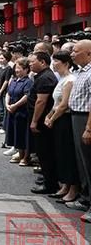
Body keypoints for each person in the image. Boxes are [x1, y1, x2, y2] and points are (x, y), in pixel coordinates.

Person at [44, 51, 78, 203]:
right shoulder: (62, 79)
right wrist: (49, 115)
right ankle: (65, 185)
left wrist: (53, 118)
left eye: (56, 61)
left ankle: (72, 189)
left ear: (66, 63)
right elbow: (56, 103)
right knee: (61, 153)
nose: (53, 64)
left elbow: (64, 105)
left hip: (65, 120)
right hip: (58, 118)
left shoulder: (70, 80)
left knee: (68, 154)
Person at [28, 51, 59, 194]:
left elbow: (41, 101)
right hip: (42, 119)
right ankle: (47, 178)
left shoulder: (45, 78)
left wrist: (34, 121)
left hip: (42, 121)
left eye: (32, 62)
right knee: (42, 152)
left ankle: (49, 183)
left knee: (45, 152)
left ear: (42, 62)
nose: (30, 64)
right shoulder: (41, 76)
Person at [69, 40, 91, 221]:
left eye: (75, 51)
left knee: (89, 162)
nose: (72, 54)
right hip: (76, 117)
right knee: (81, 161)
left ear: (88, 53)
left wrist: (89, 128)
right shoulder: (80, 72)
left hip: (85, 119)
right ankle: (85, 198)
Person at [5, 58, 33, 165]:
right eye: (16, 68)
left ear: (26, 70)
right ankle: (20, 154)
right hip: (12, 110)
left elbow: (27, 96)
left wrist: (15, 105)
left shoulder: (28, 82)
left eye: (19, 68)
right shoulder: (14, 80)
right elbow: (8, 93)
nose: (17, 70)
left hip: (22, 111)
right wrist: (8, 104)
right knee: (15, 133)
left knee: (23, 134)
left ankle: (26, 157)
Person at [0, 51, 13, 132]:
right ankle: (0, 125)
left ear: (7, 59)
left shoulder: (9, 69)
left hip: (4, 92)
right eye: (0, 58)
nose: (0, 60)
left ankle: (5, 126)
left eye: (2, 58)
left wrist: (0, 91)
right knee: (0, 109)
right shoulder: (0, 68)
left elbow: (6, 81)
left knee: (4, 109)